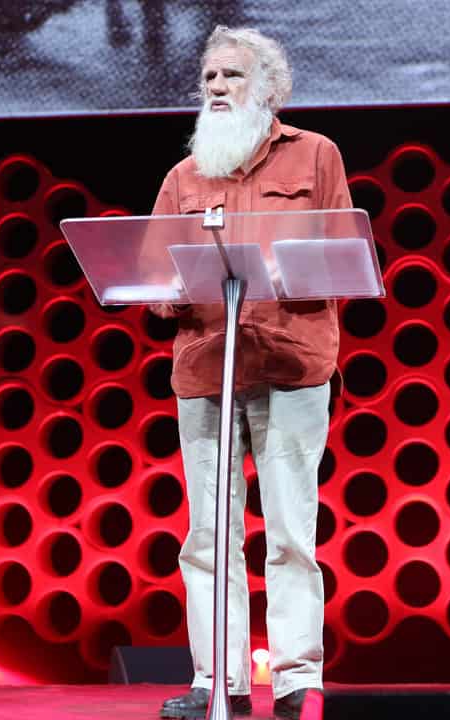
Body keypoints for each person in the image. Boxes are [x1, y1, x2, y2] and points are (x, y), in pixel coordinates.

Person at [152, 25, 351, 720]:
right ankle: (219, 682)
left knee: (292, 532)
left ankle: (298, 681)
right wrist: (168, 286)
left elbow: (340, 255)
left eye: (231, 77)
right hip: (206, 369)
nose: (215, 89)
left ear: (268, 88)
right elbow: (150, 274)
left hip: (292, 363)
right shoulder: (183, 176)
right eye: (209, 78)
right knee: (207, 537)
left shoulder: (315, 155)